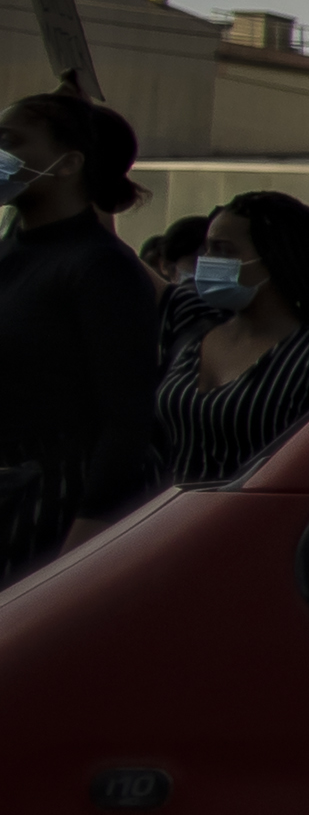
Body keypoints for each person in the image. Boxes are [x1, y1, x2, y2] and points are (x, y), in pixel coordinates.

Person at [0, 91, 160, 580]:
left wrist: (79, 551)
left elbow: (127, 419)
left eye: (9, 140)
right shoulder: (13, 252)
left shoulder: (99, 267)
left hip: (50, 512)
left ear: (68, 163)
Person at [154, 189, 309, 488]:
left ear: (275, 258)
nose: (209, 261)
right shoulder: (196, 339)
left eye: (225, 251)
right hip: (172, 523)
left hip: (251, 525)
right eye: (208, 250)